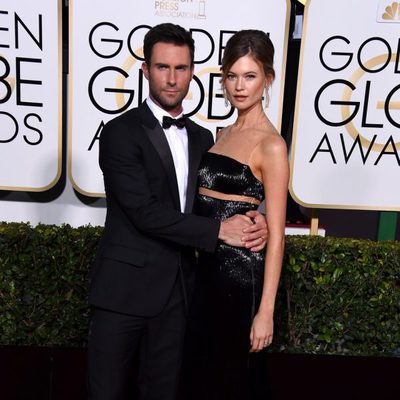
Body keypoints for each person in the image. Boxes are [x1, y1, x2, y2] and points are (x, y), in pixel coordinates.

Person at [87, 23, 267, 400]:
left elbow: (214, 200)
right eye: (162, 67)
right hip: (123, 294)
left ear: (192, 72)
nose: (172, 79)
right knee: (106, 393)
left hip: (180, 294)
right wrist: (220, 231)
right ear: (145, 70)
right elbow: (143, 211)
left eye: (181, 68)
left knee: (165, 393)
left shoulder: (204, 138)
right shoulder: (120, 133)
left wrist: (253, 216)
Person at [181, 29, 289, 399]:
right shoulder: (223, 132)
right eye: (231, 75)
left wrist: (266, 312)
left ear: (268, 79)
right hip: (205, 277)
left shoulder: (271, 145)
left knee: (231, 382)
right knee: (200, 377)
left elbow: (275, 235)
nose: (239, 86)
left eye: (250, 76)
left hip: (240, 281)